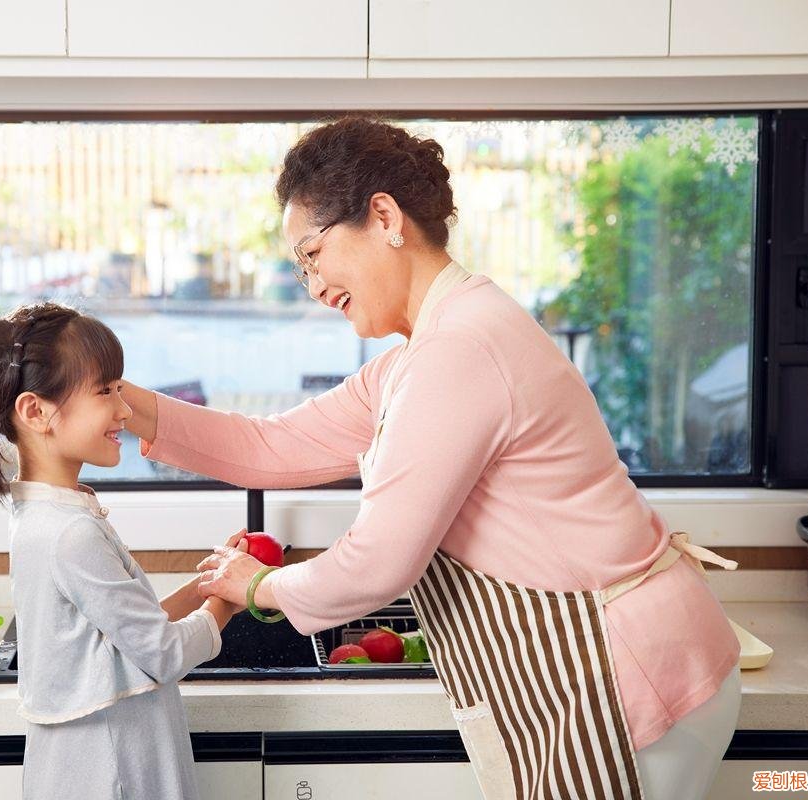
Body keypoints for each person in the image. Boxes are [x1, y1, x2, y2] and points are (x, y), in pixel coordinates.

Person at [121, 118, 742, 800]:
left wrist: (259, 587)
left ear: (383, 216)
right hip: (599, 668)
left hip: (626, 673)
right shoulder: (425, 353)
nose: (312, 286)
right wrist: (122, 402)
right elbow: (273, 444)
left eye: (313, 253)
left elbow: (378, 564)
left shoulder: (459, 351)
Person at [0, 301, 241, 800]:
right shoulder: (68, 533)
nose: (125, 410)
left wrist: (207, 584)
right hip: (111, 770)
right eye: (106, 391)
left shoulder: (54, 514)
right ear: (35, 411)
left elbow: (130, 630)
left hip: (97, 763)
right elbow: (164, 653)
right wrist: (227, 603)